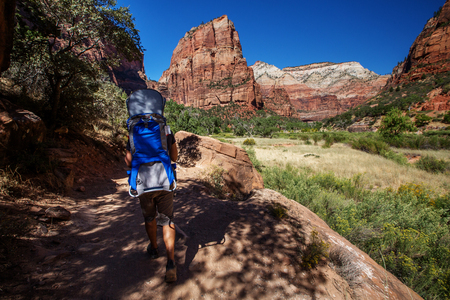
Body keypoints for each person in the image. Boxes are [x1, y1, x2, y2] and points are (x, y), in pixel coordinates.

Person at [125, 133, 178, 283]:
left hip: (144, 182)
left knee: (149, 217)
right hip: (164, 181)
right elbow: (174, 157)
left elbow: (129, 162)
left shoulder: (134, 130)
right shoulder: (165, 130)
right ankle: (171, 263)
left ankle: (154, 249)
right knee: (167, 220)